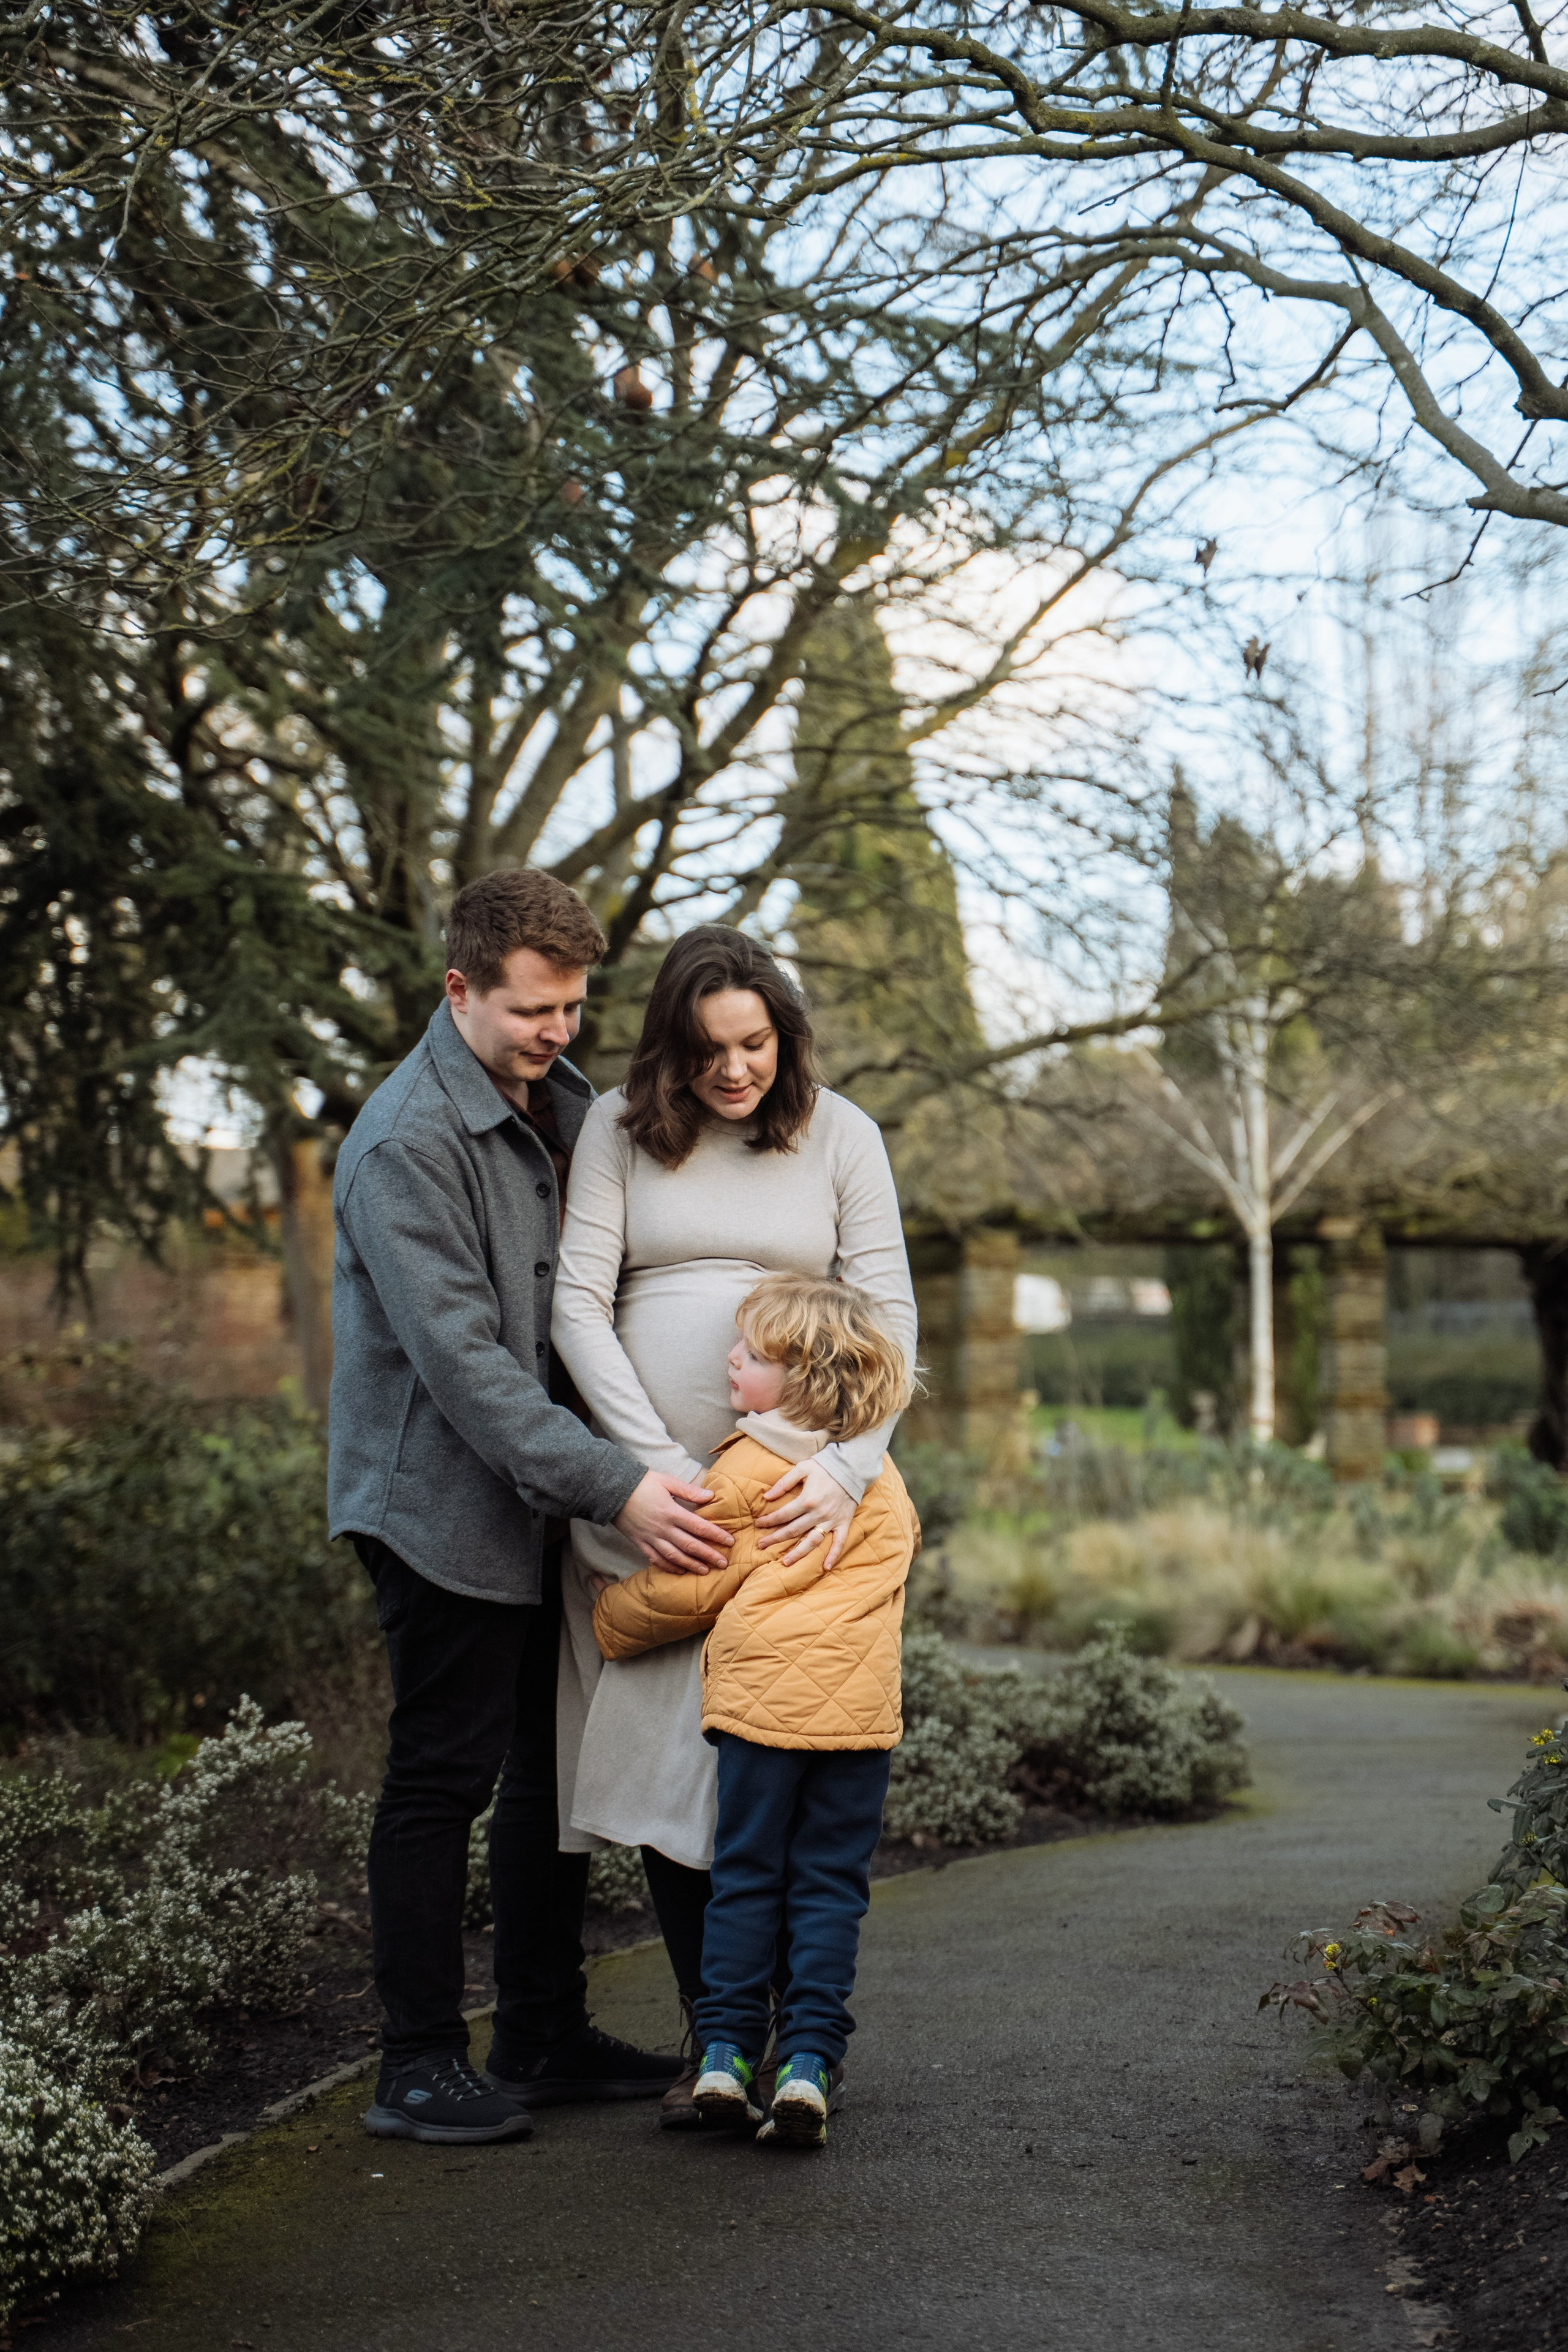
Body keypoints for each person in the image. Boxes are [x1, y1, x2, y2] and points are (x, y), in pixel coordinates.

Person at [328, 870, 731, 2146]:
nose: (558, 1031)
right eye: (531, 1010)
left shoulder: (562, 1105)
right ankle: (414, 2064)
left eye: (571, 1006)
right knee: (440, 1779)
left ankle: (543, 2032)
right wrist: (622, 1480)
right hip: (437, 1508)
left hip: (547, 1509)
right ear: (459, 991)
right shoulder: (404, 1145)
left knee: (545, 1771)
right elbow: (471, 1376)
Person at [551, 926, 916, 2124]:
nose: (733, 1072)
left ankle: (773, 2039)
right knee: (670, 1759)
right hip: (653, 1505)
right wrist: (647, 1473)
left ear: (783, 1034)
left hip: (795, 1506)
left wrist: (850, 1468)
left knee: (764, 1759)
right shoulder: (614, 1128)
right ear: (671, 1044)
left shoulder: (840, 1135)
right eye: (708, 1050)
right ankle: (721, 2038)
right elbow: (576, 1307)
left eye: (753, 1044)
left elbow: (889, 1321)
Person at [590, 1272, 919, 2149]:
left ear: (807, 1377)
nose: (730, 1360)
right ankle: (808, 2061)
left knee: (744, 1878)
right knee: (829, 1890)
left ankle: (729, 2053)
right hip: (858, 1726)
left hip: (761, 1721)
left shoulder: (748, 1471)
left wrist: (608, 1612)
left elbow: (694, 1586)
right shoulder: (877, 1482)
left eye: (755, 1354)